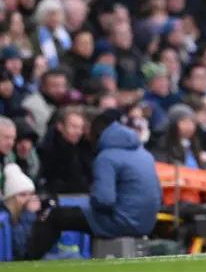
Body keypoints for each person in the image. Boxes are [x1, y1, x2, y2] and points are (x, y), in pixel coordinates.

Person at [25, 109, 162, 260]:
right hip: (147, 222)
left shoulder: (107, 157)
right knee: (87, 218)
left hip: (122, 222)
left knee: (56, 216)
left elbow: (104, 200)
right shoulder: (144, 154)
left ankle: (27, 261)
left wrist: (92, 200)